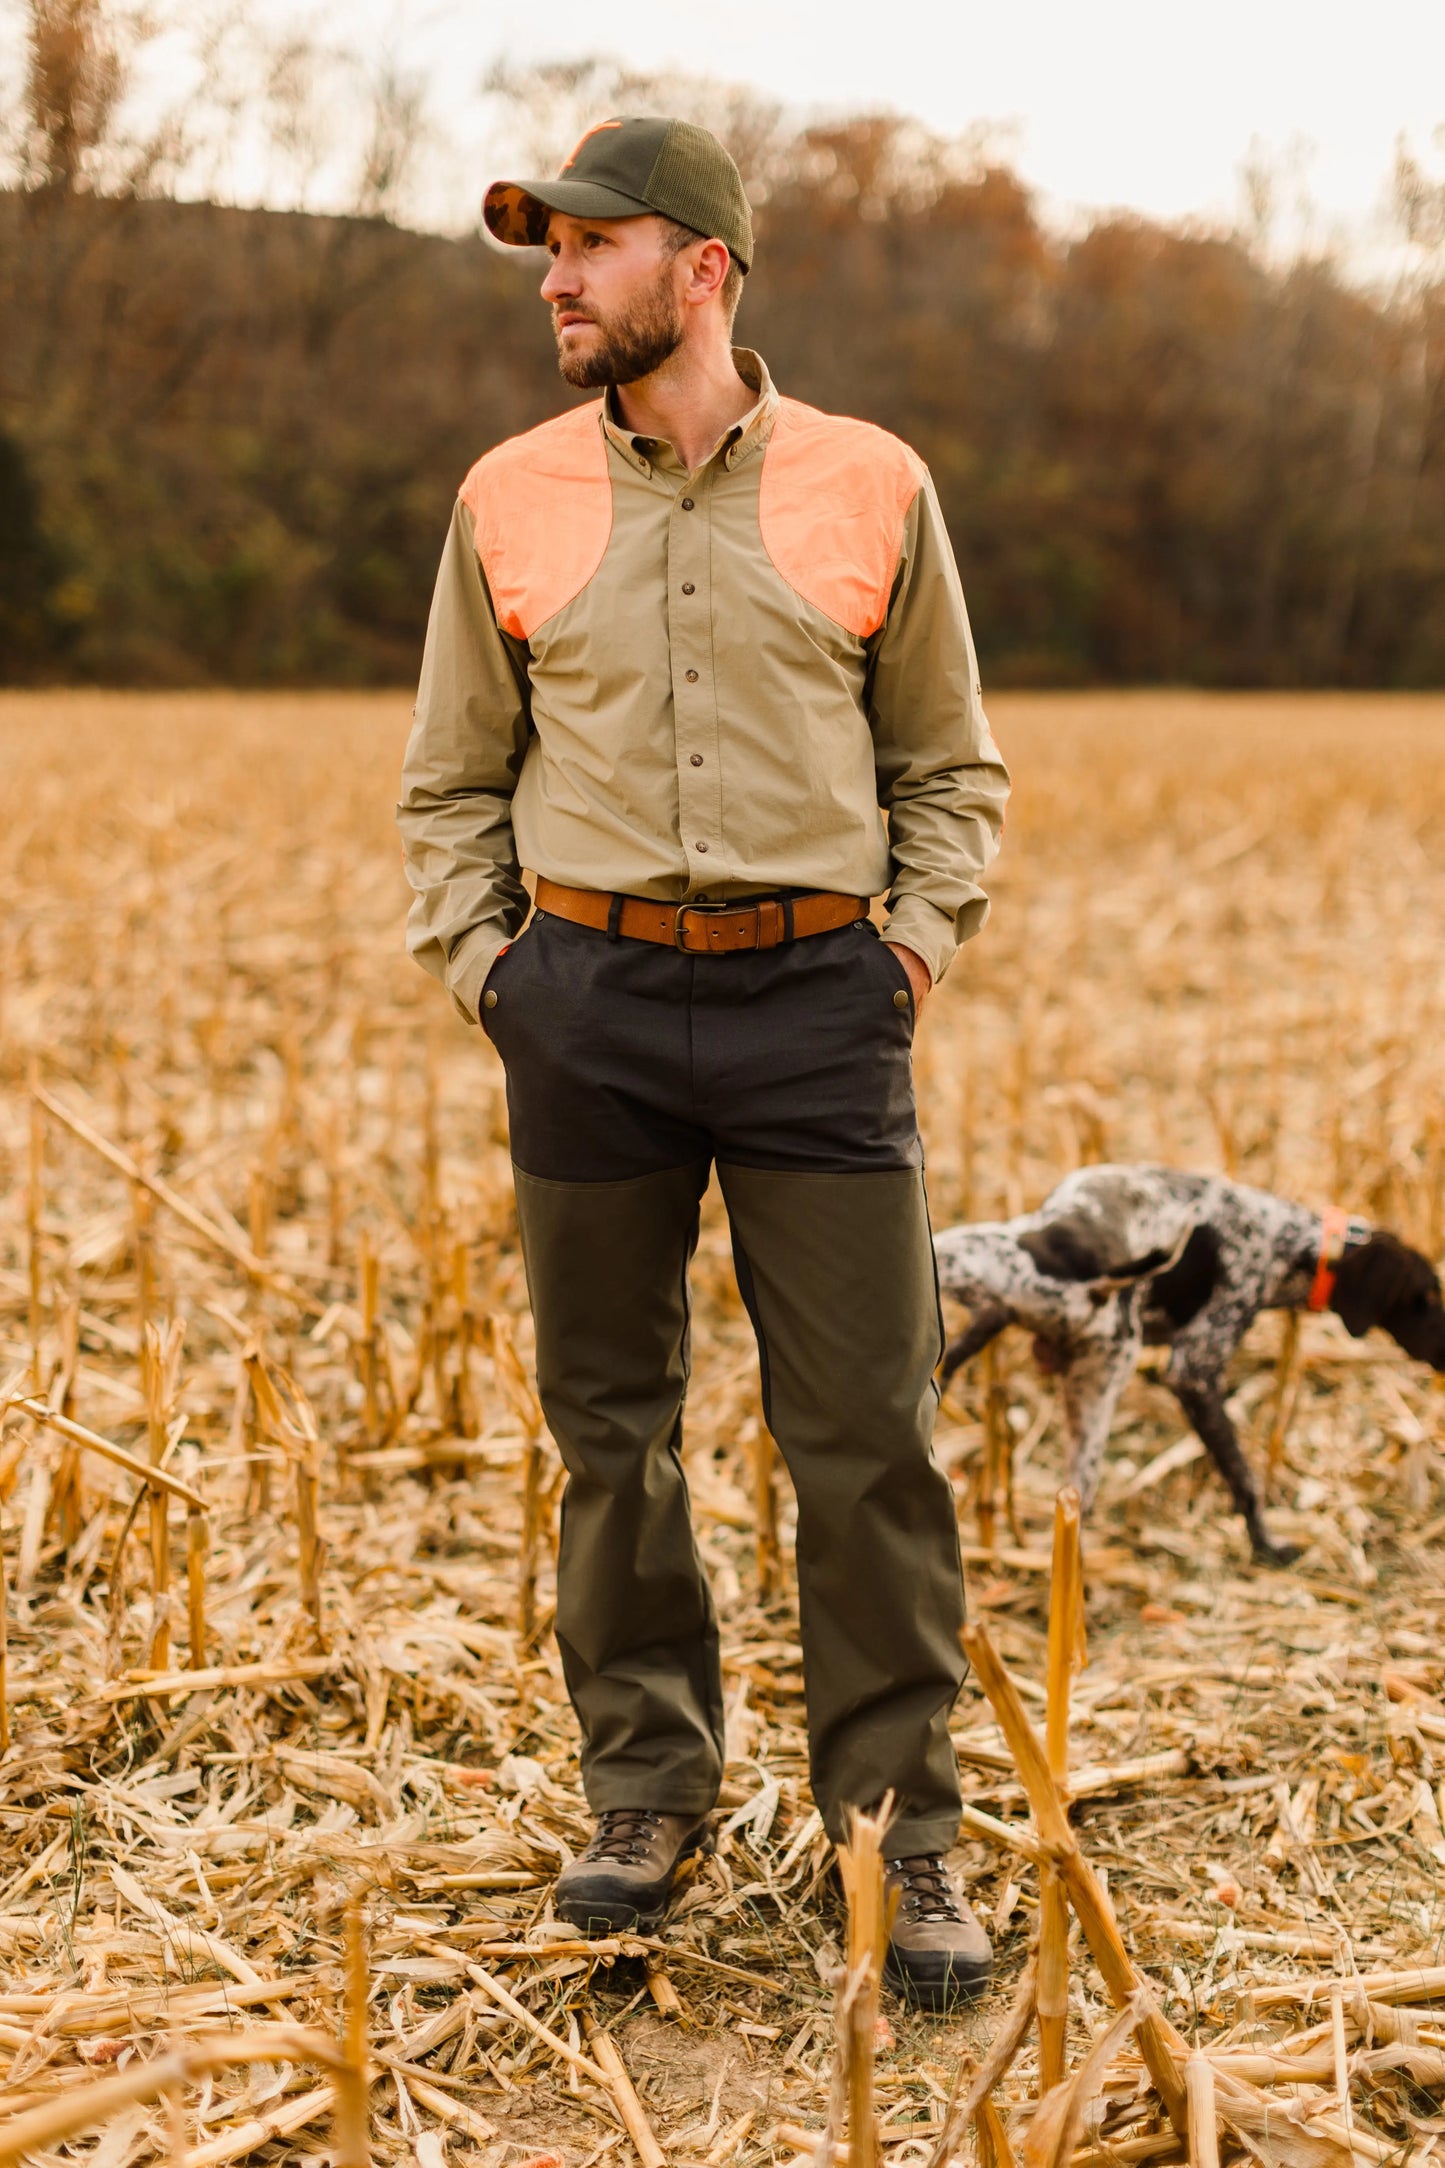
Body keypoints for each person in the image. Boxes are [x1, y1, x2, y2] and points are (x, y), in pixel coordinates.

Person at [397, 114, 1010, 2007]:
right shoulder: (505, 494)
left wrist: (905, 952)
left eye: (592, 244)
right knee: (611, 1432)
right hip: (583, 1004)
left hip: (818, 1007)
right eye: (546, 249)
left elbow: (947, 765)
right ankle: (645, 1793)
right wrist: (494, 975)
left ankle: (900, 1832)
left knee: (870, 1439)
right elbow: (449, 782)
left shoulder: (872, 482)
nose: (558, 278)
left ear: (706, 268)